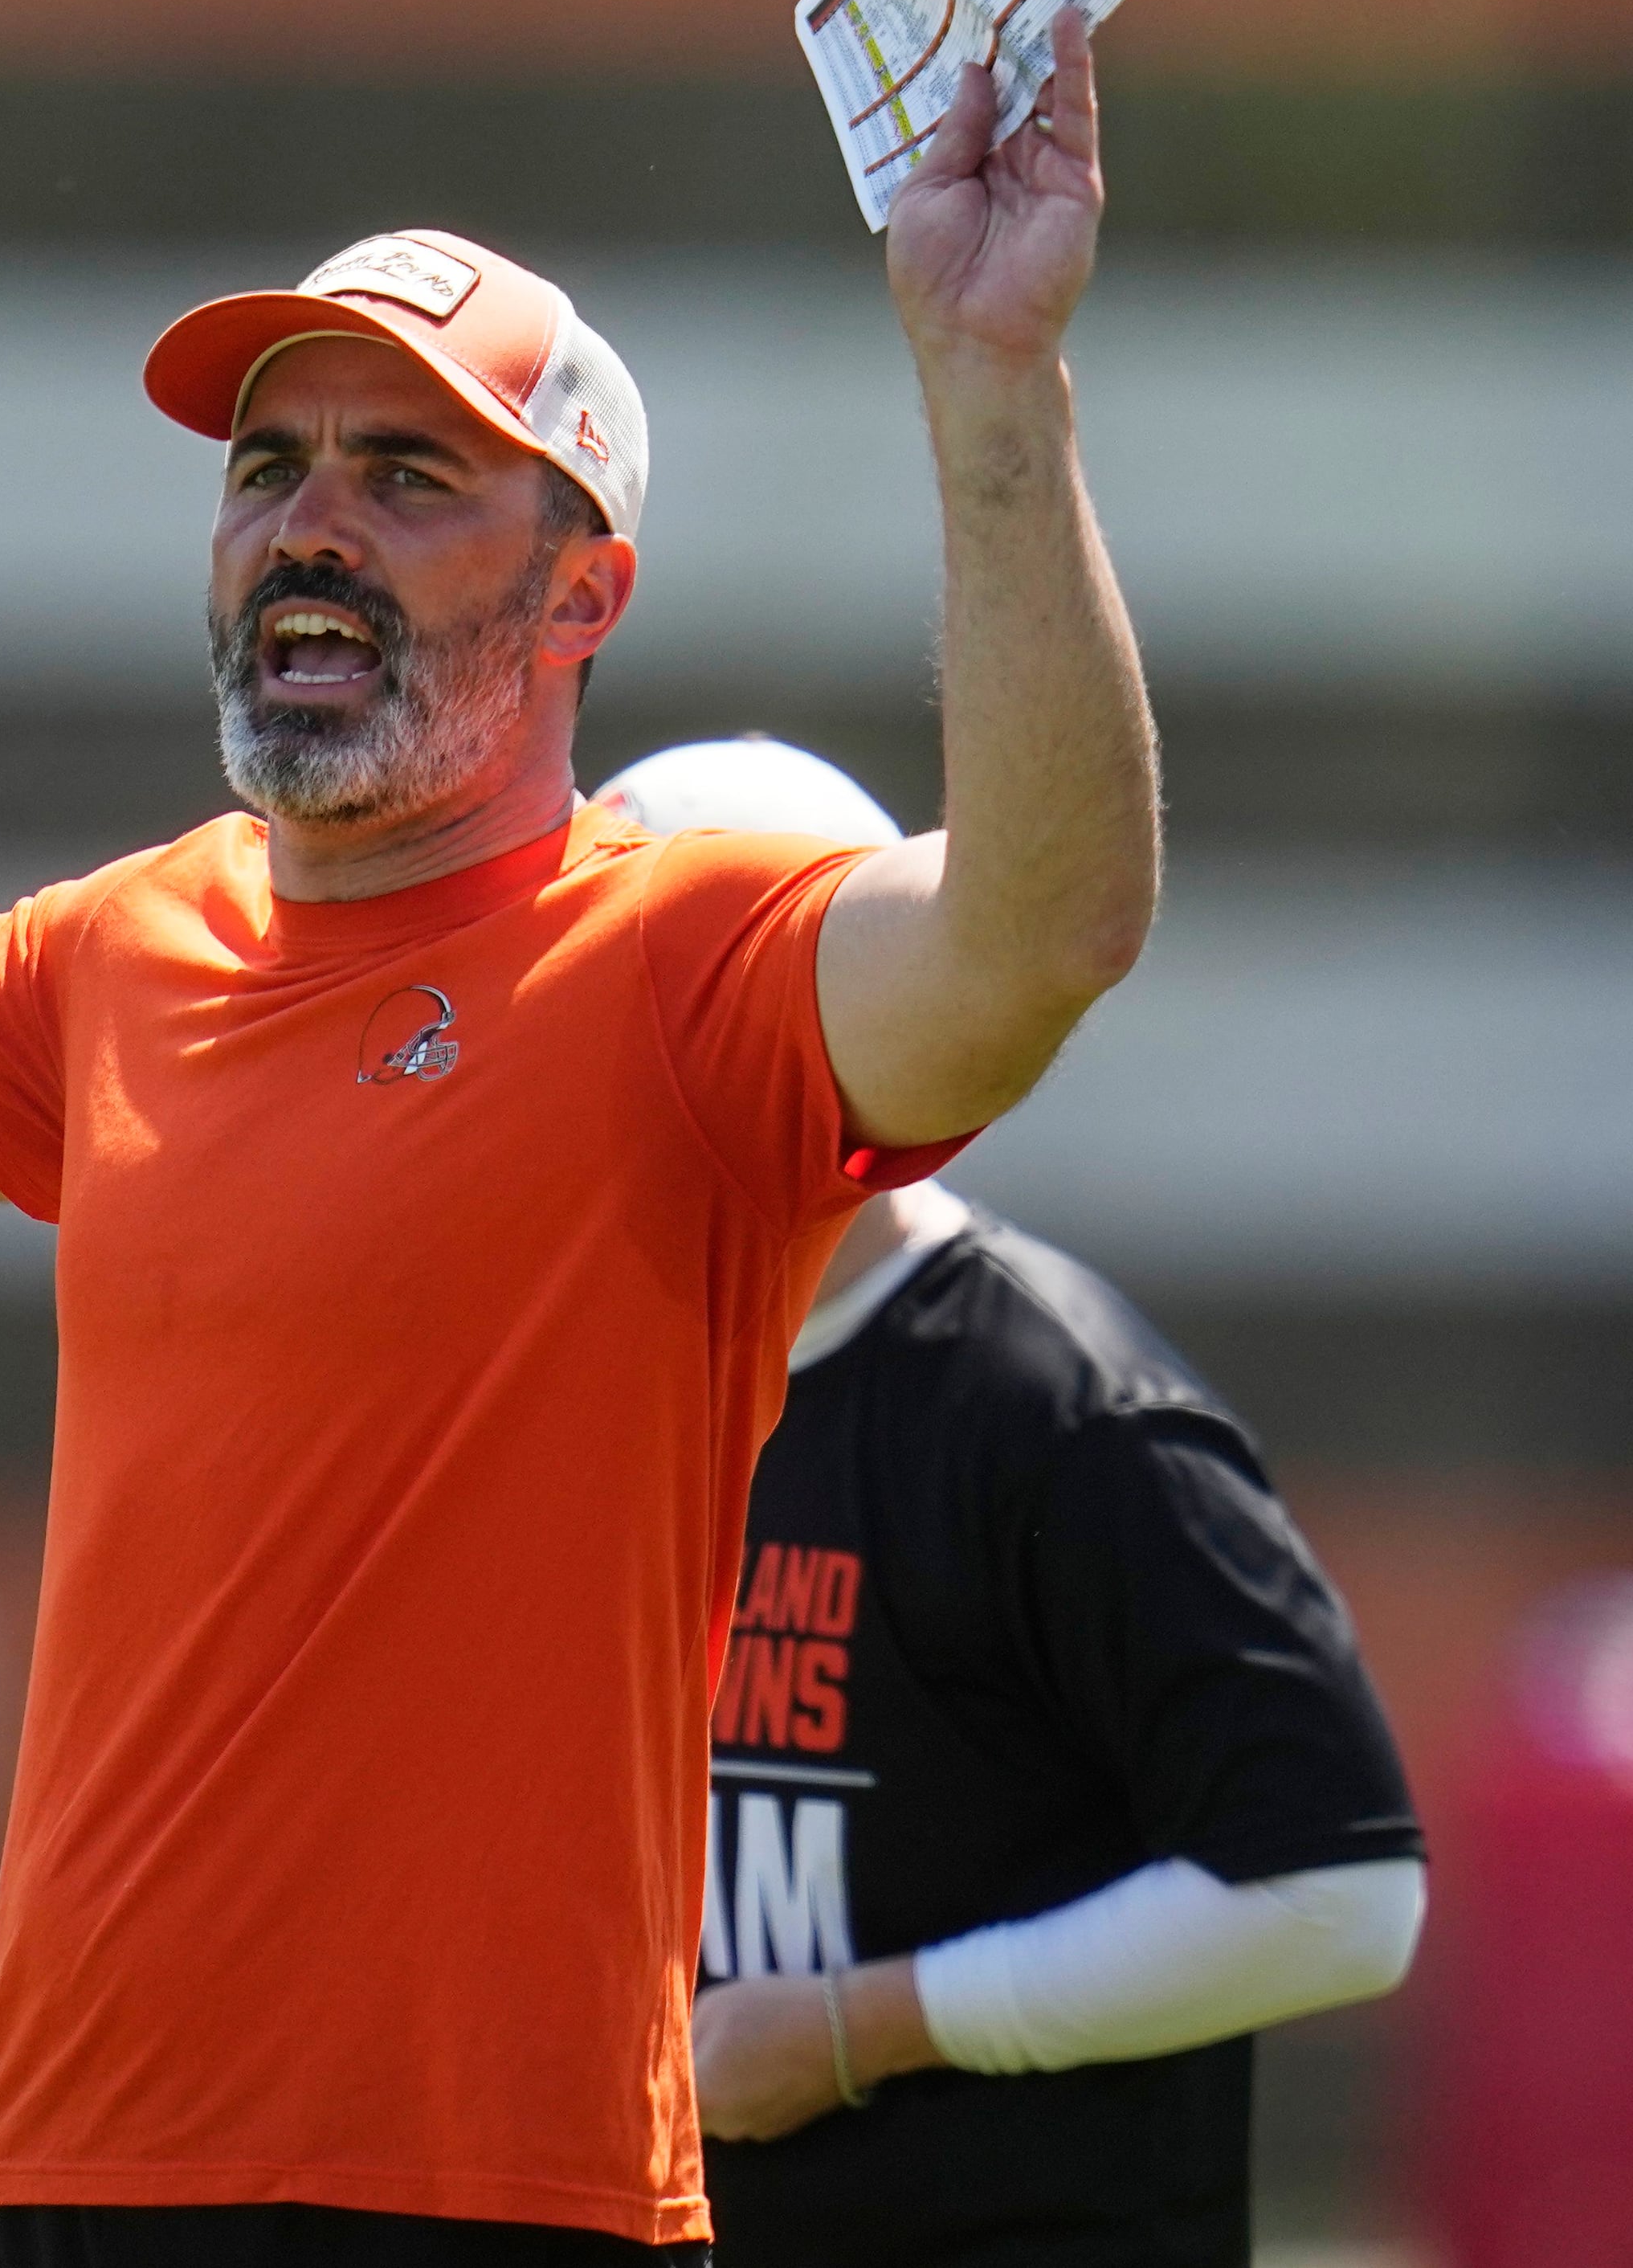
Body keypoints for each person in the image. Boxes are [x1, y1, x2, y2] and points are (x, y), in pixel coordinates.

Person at [0, 18, 1157, 2265]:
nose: (307, 517)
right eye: (270, 463)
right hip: (62, 2183)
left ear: (582, 592)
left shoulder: (685, 952)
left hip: (497, 2202)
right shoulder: (135, 942)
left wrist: (998, 385)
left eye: (409, 475)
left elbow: (1042, 925)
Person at [602, 735, 1426, 2265]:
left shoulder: (1054, 1412)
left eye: (670, 1009)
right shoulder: (581, 1374)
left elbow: (1338, 1885)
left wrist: (867, 2026)